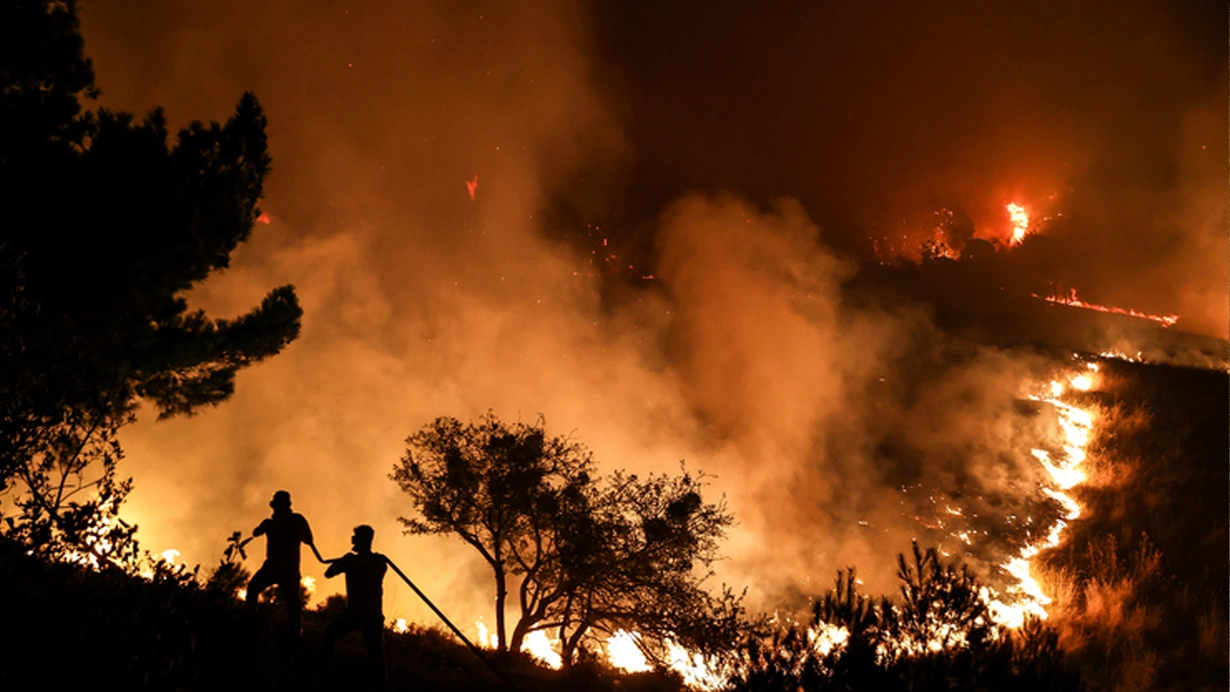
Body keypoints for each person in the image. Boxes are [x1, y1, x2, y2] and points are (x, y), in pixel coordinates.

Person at [246, 489, 318, 637]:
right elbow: (309, 540)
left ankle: (251, 623)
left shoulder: (281, 522)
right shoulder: (295, 520)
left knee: (255, 589)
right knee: (293, 603)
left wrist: (268, 526)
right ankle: (295, 632)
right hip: (286, 568)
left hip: (277, 567)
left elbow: (255, 532)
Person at [322, 525, 388, 685]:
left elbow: (328, 573)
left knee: (329, 636)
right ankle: (379, 685)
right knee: (376, 654)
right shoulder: (379, 562)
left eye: (355, 537)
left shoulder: (352, 561)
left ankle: (325, 676)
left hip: (356, 614)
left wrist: (344, 561)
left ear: (360, 540)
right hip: (372, 615)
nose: (353, 540)